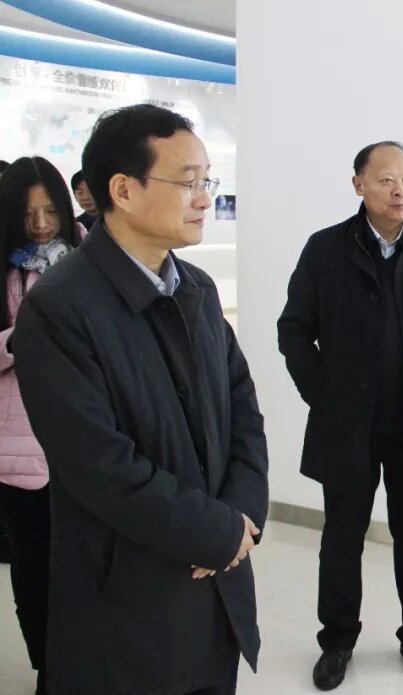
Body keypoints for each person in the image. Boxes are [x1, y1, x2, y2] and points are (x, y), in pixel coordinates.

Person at [13, 104, 269, 695]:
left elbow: (243, 411)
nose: (204, 199)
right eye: (188, 181)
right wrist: (215, 532)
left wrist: (242, 516)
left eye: (207, 181)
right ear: (123, 190)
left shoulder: (198, 288)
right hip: (126, 602)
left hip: (217, 585)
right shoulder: (59, 308)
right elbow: (99, 465)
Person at [278, 141, 403, 690]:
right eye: (386, 180)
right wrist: (324, 396)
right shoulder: (325, 248)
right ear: (358, 184)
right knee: (341, 537)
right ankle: (336, 641)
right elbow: (294, 330)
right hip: (347, 426)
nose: (400, 190)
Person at [0, 155, 86, 695]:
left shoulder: (92, 258)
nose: (40, 224)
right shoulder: (4, 268)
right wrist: (22, 336)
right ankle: (47, 670)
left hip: (88, 442)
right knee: (34, 571)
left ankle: (83, 667)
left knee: (89, 571)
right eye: (27, 213)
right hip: (21, 448)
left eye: (49, 211)